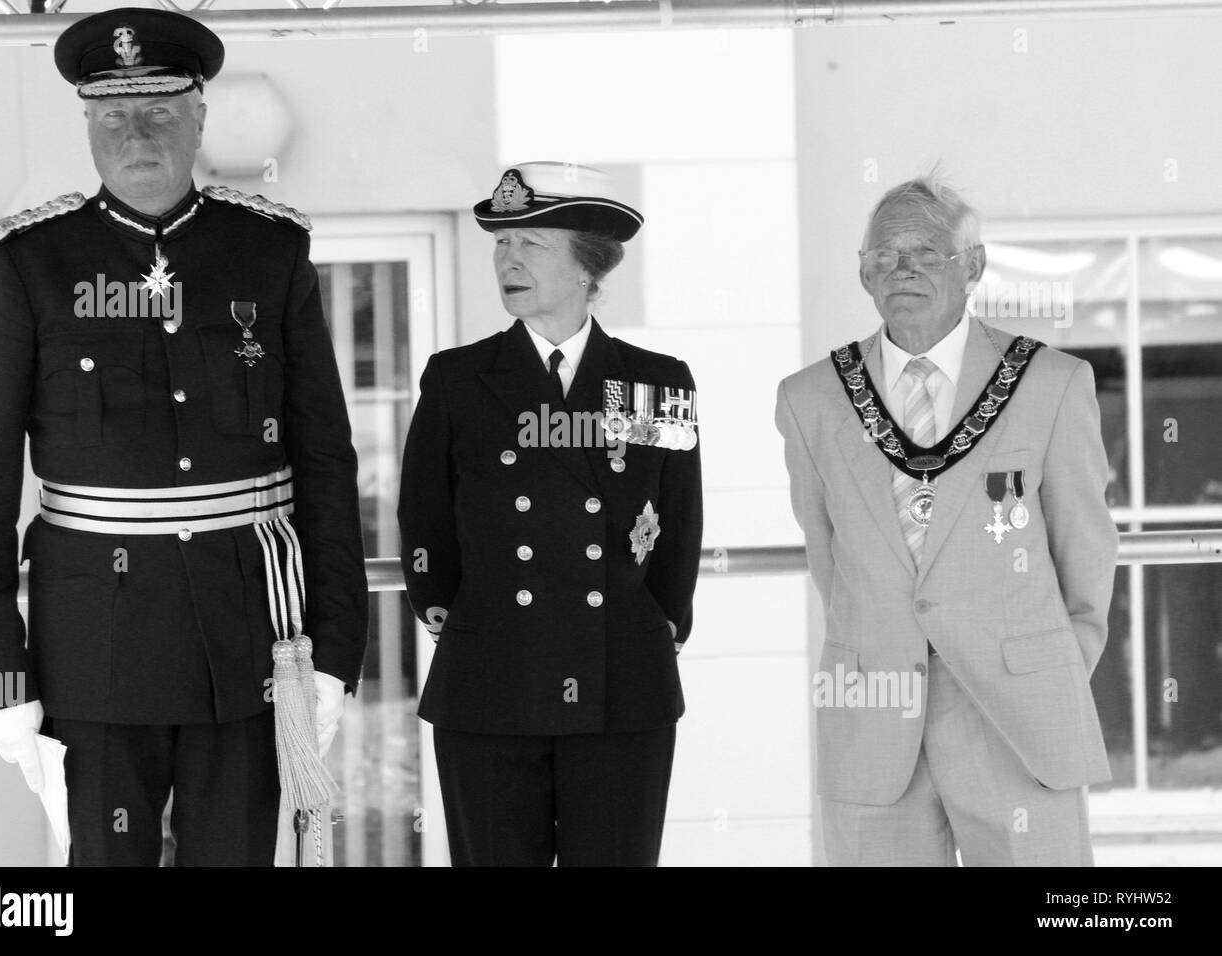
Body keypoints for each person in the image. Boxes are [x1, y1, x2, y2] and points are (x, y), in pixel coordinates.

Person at [0, 7, 368, 866]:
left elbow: (325, 459)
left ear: (200, 117)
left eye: (160, 111)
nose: (135, 132)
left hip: (250, 641)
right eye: (112, 115)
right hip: (93, 651)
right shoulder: (28, 264)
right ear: (88, 125)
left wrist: (338, 650)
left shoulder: (269, 251)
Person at [774, 176, 1118, 866]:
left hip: (1017, 714)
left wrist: (1053, 668)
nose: (903, 269)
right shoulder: (810, 398)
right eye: (885, 254)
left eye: (927, 252)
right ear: (863, 271)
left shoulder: (1050, 384)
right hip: (873, 707)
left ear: (974, 267)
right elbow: (830, 558)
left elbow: (1085, 545)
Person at [398, 163, 703, 866]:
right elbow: (425, 523)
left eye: (530, 244)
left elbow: (679, 527)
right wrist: (455, 615)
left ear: (587, 263)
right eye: (501, 245)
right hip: (491, 683)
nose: (507, 260)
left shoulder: (655, 383)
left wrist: (656, 627)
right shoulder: (457, 380)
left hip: (622, 684)